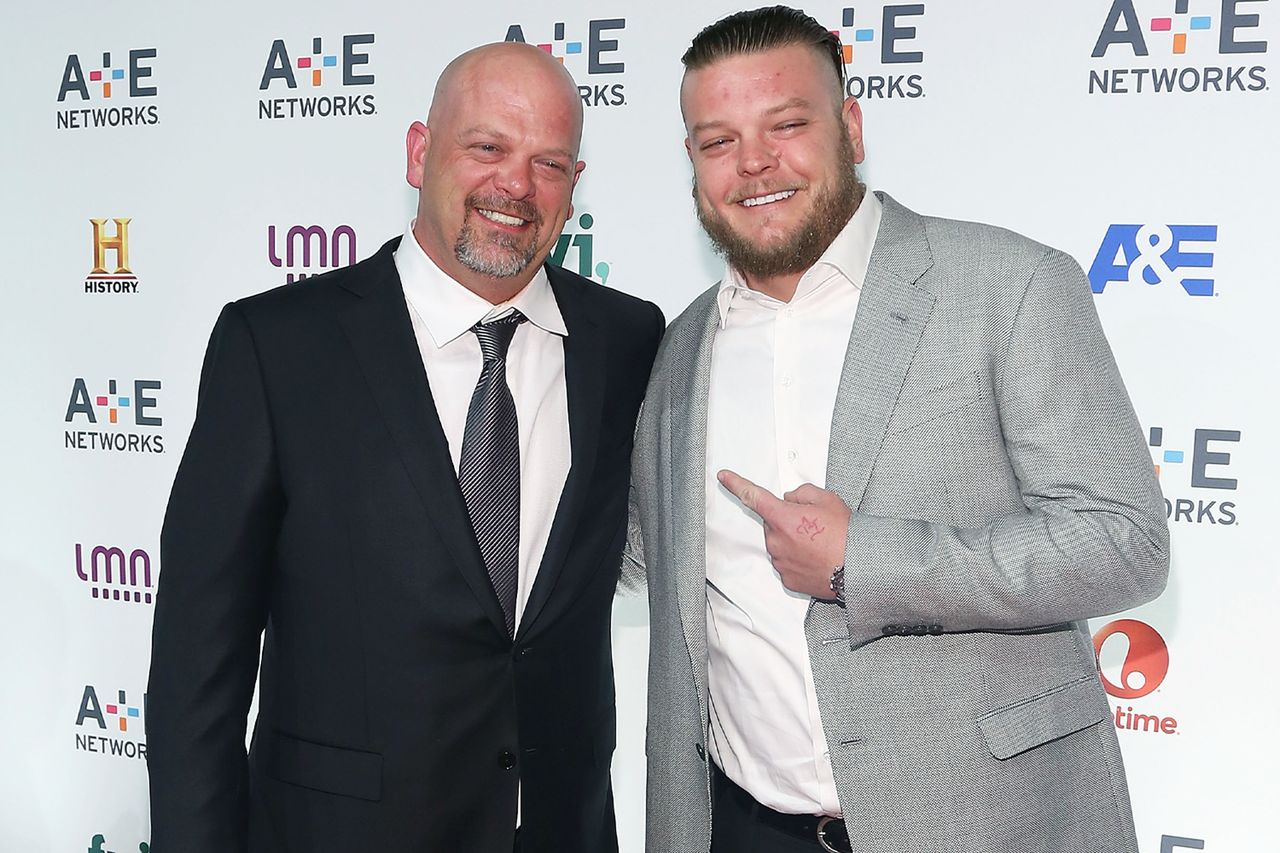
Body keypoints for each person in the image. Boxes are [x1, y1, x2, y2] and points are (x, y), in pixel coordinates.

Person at [626, 7, 1169, 853]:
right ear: (692, 161)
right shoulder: (679, 345)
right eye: (717, 140)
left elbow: (1124, 539)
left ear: (850, 125)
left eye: (787, 125)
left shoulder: (1010, 285)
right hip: (738, 828)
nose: (755, 162)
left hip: (983, 825)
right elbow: (633, 554)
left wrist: (861, 562)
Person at [147, 42, 663, 853]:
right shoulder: (277, 346)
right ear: (421, 153)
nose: (516, 186)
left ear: (574, 184)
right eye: (486, 147)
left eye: (549, 163)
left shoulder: (628, 338)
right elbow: (194, 669)